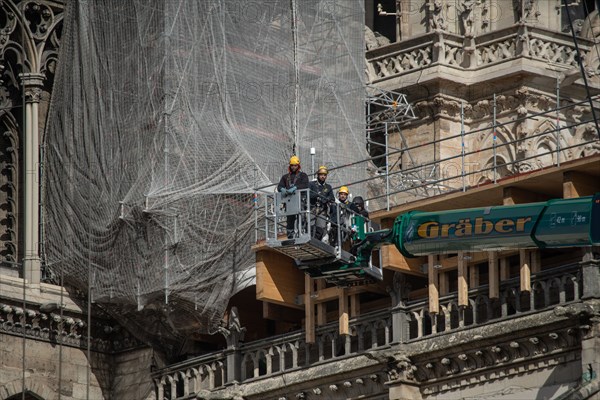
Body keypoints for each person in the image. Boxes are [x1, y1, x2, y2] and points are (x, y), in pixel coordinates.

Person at [277, 155, 309, 238]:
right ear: (290, 166)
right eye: (292, 165)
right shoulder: (285, 177)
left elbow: (305, 185)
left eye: (295, 165)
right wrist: (282, 189)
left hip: (300, 200)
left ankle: (301, 233)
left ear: (298, 166)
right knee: (290, 218)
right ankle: (290, 235)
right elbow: (279, 186)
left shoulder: (303, 176)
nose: (293, 167)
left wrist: (296, 188)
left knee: (301, 217)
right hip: (289, 200)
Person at [309, 166, 334, 240]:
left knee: (320, 229)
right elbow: (308, 194)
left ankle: (316, 243)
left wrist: (326, 199)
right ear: (318, 175)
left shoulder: (328, 187)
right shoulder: (312, 184)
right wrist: (317, 195)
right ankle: (310, 241)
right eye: (321, 174)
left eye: (324, 175)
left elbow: (332, 198)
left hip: (322, 210)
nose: (323, 176)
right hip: (312, 208)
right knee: (310, 227)